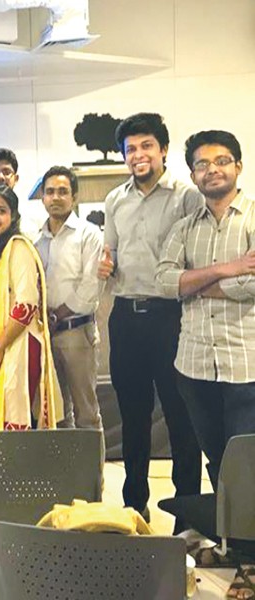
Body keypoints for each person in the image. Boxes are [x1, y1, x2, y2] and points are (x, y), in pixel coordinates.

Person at [98, 112, 203, 522]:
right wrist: (105, 267)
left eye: (146, 146)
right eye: (130, 149)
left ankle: (188, 513)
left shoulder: (186, 196)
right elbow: (112, 254)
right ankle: (133, 506)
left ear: (163, 150)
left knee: (181, 416)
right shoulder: (115, 200)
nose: (138, 155)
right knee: (133, 418)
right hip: (126, 318)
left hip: (172, 318)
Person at [156, 130, 255, 486]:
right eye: (202, 164)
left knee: (247, 463)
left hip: (246, 365)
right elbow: (165, 282)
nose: (212, 169)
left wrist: (195, 286)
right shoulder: (184, 228)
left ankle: (247, 540)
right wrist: (225, 268)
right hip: (195, 365)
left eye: (221, 161)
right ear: (193, 174)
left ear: (238, 166)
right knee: (216, 459)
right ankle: (227, 537)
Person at [0, 185, 62, 431]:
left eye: (1, 211)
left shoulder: (19, 248)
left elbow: (26, 306)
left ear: (13, 216)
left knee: (17, 417)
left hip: (19, 346)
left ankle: (22, 470)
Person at [35, 166, 104, 432]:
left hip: (77, 332)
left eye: (63, 191)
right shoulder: (36, 238)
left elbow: (91, 286)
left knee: (86, 413)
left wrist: (56, 314)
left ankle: (91, 475)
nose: (56, 197)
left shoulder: (89, 234)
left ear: (74, 197)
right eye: (50, 191)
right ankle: (66, 474)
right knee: (57, 413)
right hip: (45, 335)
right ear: (42, 197)